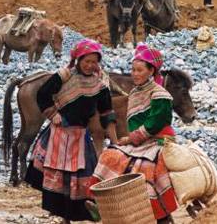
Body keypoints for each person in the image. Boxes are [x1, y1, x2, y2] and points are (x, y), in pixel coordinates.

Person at [25, 39, 117, 223]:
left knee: (84, 178)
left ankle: (86, 213)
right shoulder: (64, 76)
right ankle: (64, 217)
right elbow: (42, 94)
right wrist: (52, 114)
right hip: (59, 135)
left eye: (94, 62)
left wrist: (115, 140)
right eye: (86, 61)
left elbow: (107, 112)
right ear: (77, 59)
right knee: (61, 179)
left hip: (80, 136)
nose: (90, 66)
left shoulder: (100, 84)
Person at [90, 44, 178, 224]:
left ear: (151, 71)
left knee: (143, 170)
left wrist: (131, 139)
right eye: (133, 70)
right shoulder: (135, 92)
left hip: (158, 141)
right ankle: (100, 202)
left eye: (139, 70)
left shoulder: (160, 95)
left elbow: (155, 123)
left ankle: (161, 215)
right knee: (109, 155)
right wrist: (129, 141)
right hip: (140, 143)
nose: (134, 74)